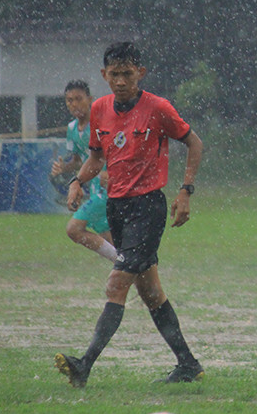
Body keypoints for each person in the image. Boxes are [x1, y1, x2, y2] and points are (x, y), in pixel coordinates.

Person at [54, 42, 205, 387]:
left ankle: (84, 365)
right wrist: (77, 181)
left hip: (148, 207)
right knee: (150, 291)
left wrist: (186, 190)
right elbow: (95, 158)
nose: (120, 81)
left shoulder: (158, 108)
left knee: (116, 283)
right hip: (116, 208)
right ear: (104, 75)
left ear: (141, 73)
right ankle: (188, 364)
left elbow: (194, 143)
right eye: (114, 74)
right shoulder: (100, 110)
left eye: (127, 73)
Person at [50, 80, 118, 263]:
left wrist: (112, 173)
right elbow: (80, 161)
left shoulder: (101, 124)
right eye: (69, 100)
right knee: (111, 243)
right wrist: (64, 167)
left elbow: (117, 151)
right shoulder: (72, 129)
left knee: (74, 229)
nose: (73, 104)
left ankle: (125, 267)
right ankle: (131, 272)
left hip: (109, 189)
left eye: (78, 99)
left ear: (90, 100)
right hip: (94, 188)